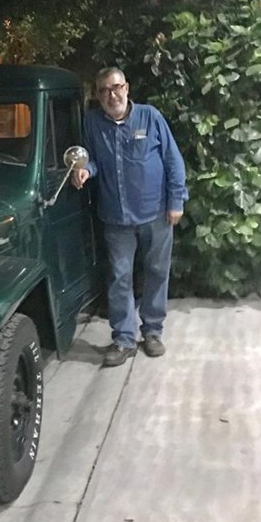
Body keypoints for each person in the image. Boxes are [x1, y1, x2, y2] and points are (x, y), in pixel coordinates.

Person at [72, 67, 188, 367]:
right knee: (119, 278)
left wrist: (176, 201)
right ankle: (123, 339)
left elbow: (173, 161)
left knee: (157, 272)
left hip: (156, 214)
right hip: (116, 217)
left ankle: (152, 332)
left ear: (127, 87)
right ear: (98, 96)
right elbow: (93, 160)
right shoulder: (92, 123)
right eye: (104, 91)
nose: (112, 95)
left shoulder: (150, 117)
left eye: (116, 87)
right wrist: (86, 170)